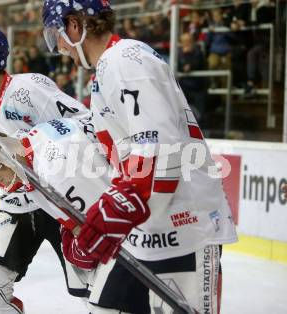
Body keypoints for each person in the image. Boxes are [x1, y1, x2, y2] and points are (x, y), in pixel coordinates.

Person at [41, 1, 238, 313]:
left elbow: (158, 147)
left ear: (74, 26)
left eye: (57, 35)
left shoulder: (123, 60)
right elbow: (122, 154)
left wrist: (113, 213)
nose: (59, 48)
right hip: (146, 227)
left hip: (185, 227)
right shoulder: (109, 67)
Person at [0, 26, 91, 313]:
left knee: (95, 291)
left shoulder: (27, 90)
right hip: (18, 206)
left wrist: (38, 155)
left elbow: (85, 123)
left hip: (61, 203)